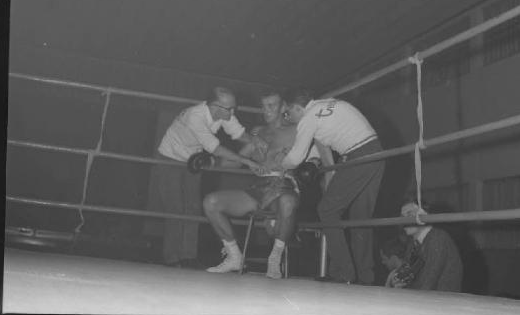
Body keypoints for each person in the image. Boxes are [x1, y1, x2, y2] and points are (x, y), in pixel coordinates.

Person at [203, 91, 323, 278]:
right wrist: (210, 161)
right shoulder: (258, 133)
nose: (266, 110)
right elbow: (238, 160)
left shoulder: (297, 129)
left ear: (284, 107)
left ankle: (274, 259)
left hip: (284, 185)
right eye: (263, 106)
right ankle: (234, 257)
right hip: (257, 189)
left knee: (288, 202)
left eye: (271, 106)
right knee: (211, 202)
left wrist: (304, 163)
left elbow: (318, 148)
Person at [280, 89, 385, 285]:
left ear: (297, 107)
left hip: (358, 156)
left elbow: (295, 157)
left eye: (288, 112)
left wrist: (280, 167)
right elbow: (321, 151)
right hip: (376, 153)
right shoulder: (329, 104)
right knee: (361, 217)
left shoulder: (308, 118)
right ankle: (365, 276)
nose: (288, 117)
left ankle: (344, 273)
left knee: (326, 210)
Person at [152, 87, 261, 268]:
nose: (233, 112)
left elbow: (240, 134)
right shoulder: (196, 116)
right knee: (175, 209)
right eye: (229, 109)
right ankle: (172, 259)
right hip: (169, 158)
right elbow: (215, 149)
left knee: (193, 207)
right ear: (215, 106)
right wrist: (246, 160)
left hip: (192, 160)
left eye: (234, 108)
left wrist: (258, 142)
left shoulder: (224, 113)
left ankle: (188, 257)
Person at [399, 201, 463, 292]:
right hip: (425, 300)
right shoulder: (413, 243)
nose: (404, 221)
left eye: (409, 214)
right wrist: (398, 282)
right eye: (402, 216)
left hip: (442, 302)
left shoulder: (438, 238)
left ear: (425, 214)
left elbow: (427, 284)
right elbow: (405, 276)